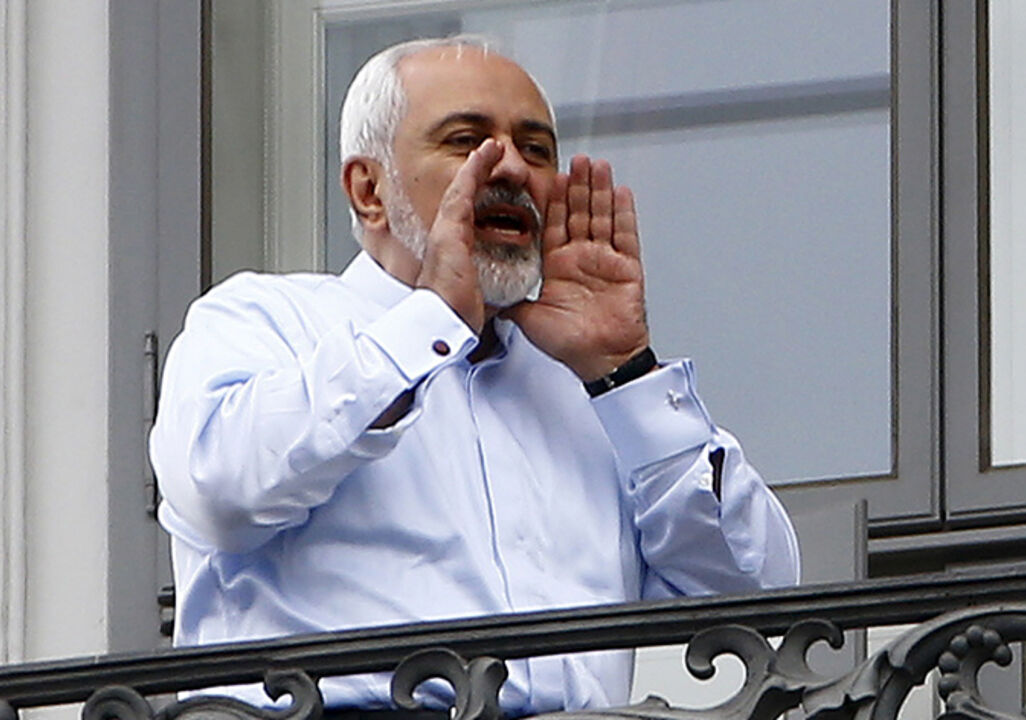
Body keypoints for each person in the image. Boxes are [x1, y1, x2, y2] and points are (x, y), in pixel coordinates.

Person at [150, 36, 799, 716]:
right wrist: (428, 323)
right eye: (467, 141)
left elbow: (759, 594)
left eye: (536, 149)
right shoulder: (267, 320)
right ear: (369, 191)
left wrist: (624, 371)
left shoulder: (584, 390)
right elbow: (218, 490)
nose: (512, 167)